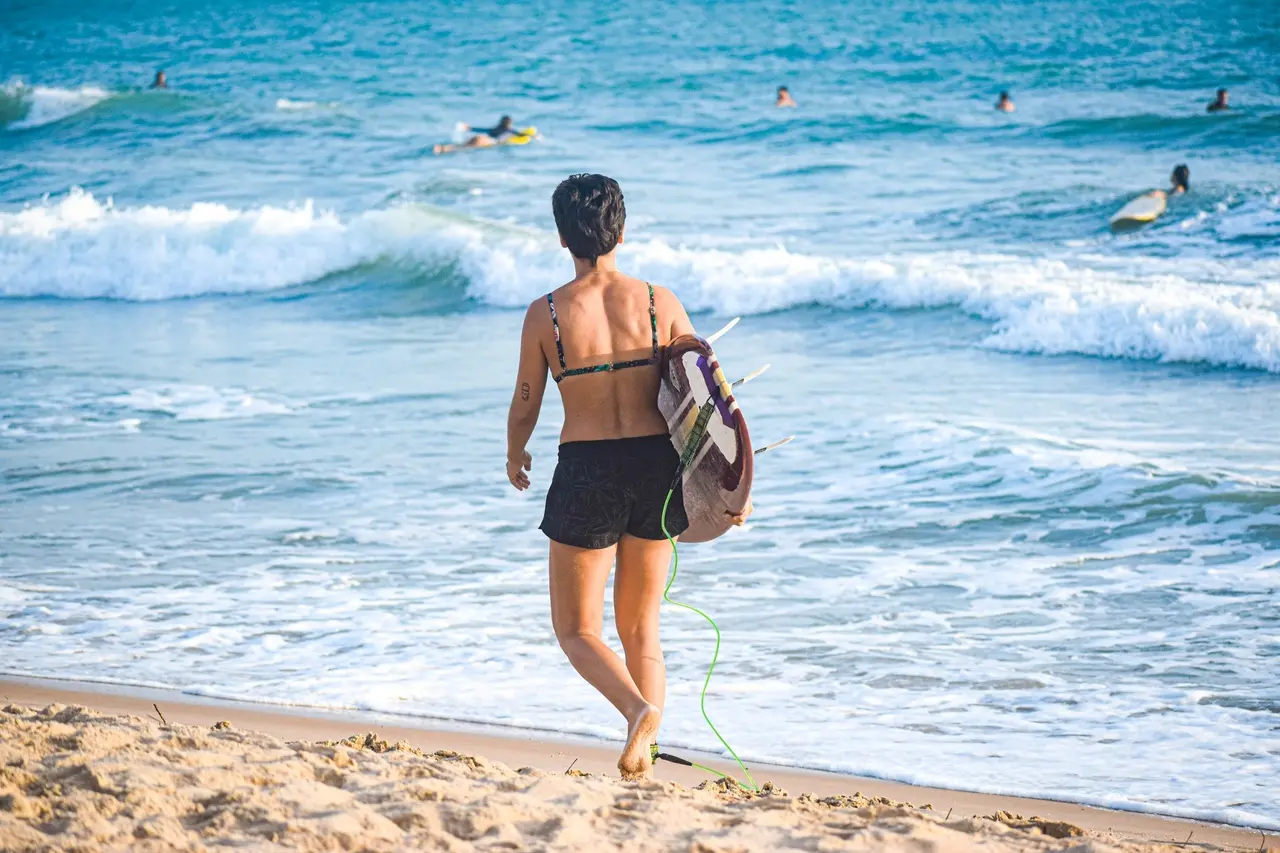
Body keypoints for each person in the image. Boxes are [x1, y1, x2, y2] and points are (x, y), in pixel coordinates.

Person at [505, 174, 747, 780]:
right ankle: (650, 747)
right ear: (623, 228)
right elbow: (709, 401)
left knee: (577, 628)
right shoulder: (658, 302)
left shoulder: (548, 314)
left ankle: (637, 711)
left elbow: (526, 401)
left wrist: (516, 453)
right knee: (642, 626)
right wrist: (733, 484)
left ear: (563, 237)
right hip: (656, 468)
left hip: (587, 468)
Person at [434, 115, 520, 154]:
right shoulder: (509, 130)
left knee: (461, 146)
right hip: (488, 141)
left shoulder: (494, 129)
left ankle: (442, 148)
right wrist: (531, 136)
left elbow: (482, 129)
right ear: (509, 123)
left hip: (479, 137)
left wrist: (469, 128)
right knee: (463, 148)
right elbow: (521, 135)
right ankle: (442, 149)